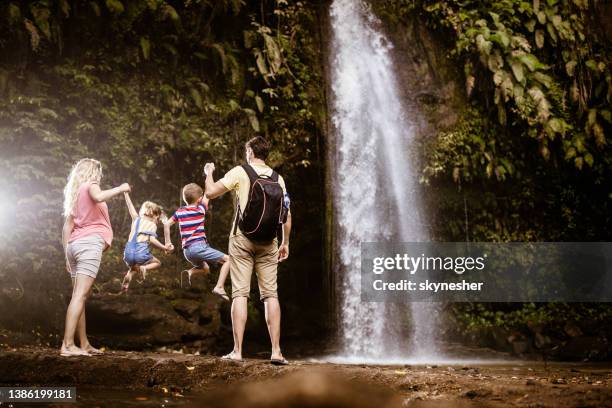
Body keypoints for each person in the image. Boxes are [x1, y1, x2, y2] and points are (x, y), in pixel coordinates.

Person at [204, 136, 292, 365]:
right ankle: (276, 351)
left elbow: (211, 192)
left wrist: (208, 173)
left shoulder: (240, 172)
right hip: (270, 242)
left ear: (251, 151)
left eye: (247, 151)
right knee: (270, 294)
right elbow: (287, 214)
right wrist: (286, 243)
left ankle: (237, 351)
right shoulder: (278, 178)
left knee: (241, 293)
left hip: (242, 239)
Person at [61, 158, 130, 357]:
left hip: (74, 246)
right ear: (93, 172)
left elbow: (67, 227)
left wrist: (67, 254)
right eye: (98, 172)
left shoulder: (75, 193)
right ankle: (67, 346)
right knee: (80, 296)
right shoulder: (91, 186)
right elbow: (99, 196)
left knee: (79, 296)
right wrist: (120, 188)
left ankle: (83, 343)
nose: (100, 176)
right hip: (89, 244)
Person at [165, 182, 230, 301]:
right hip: (199, 247)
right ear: (199, 199)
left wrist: (168, 243)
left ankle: (189, 273)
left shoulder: (180, 212)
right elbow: (208, 193)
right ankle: (219, 287)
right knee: (229, 260)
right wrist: (209, 172)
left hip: (187, 253)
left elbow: (166, 224)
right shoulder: (201, 209)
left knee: (205, 269)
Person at [121, 193, 174, 292]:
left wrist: (126, 193)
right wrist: (164, 248)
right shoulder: (152, 225)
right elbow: (152, 240)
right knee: (157, 263)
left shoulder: (136, 219)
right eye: (157, 218)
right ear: (154, 215)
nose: (157, 221)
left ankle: (129, 275)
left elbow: (129, 205)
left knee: (134, 267)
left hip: (128, 253)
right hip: (141, 253)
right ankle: (144, 268)